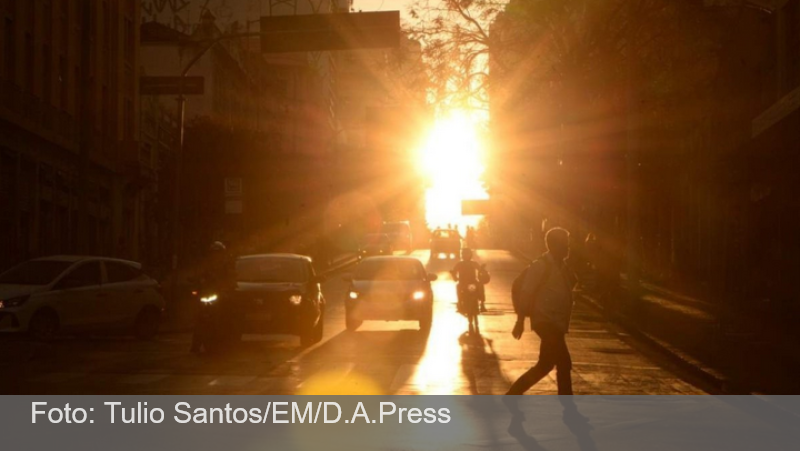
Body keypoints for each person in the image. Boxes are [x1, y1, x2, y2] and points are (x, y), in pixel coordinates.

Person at [507, 227, 577, 395]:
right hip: (545, 321)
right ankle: (568, 409)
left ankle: (513, 394)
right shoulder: (540, 266)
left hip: (556, 323)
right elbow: (525, 293)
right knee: (564, 363)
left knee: (545, 365)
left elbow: (570, 285)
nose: (568, 248)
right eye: (564, 245)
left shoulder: (563, 267)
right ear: (554, 245)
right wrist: (520, 321)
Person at [191, 241, 236, 353]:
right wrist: (196, 288)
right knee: (199, 318)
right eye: (214, 253)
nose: (216, 255)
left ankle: (229, 339)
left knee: (227, 313)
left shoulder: (226, 265)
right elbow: (198, 277)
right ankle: (195, 345)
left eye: (218, 252)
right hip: (206, 294)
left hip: (220, 295)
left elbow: (231, 278)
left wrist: (227, 289)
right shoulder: (206, 265)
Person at [451, 248, 483, 334]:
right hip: (463, 284)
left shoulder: (474, 263)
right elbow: (454, 272)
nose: (466, 256)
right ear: (462, 255)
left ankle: (482, 303)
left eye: (467, 254)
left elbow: (481, 271)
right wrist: (454, 276)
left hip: (473, 284)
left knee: (480, 285)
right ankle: (459, 302)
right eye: (464, 254)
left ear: (470, 255)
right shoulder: (459, 264)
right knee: (457, 287)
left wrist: (483, 272)